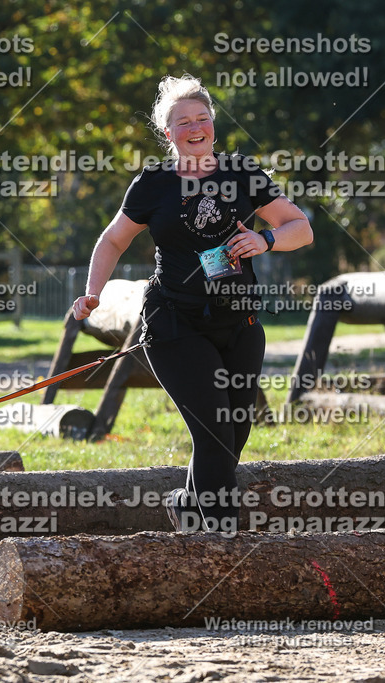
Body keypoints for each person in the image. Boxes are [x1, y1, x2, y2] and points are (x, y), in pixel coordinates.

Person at [73, 75, 313, 534]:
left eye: (202, 117)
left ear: (214, 127)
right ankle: (225, 546)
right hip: (175, 323)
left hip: (240, 322)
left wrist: (265, 239)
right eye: (183, 121)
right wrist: (93, 292)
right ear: (169, 134)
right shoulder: (154, 183)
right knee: (214, 435)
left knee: (232, 435)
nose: (195, 126)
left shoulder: (241, 173)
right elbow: (112, 240)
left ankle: (187, 504)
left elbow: (300, 226)